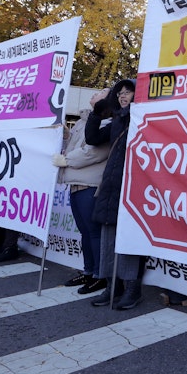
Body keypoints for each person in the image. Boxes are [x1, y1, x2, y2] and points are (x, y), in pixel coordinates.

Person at [84, 78, 147, 310]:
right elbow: (92, 138)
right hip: (111, 187)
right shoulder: (117, 121)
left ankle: (132, 288)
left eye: (128, 92)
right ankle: (112, 286)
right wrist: (96, 113)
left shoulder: (142, 119)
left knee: (129, 239)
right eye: (119, 92)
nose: (122, 95)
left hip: (133, 187)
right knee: (109, 238)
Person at [52, 90, 111, 294]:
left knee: (94, 232)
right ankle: (88, 271)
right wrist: (65, 135)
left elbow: (94, 152)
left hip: (91, 185)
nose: (96, 93)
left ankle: (99, 275)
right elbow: (73, 145)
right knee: (85, 232)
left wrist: (67, 160)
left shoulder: (106, 122)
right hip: (75, 183)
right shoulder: (82, 120)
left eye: (102, 92)